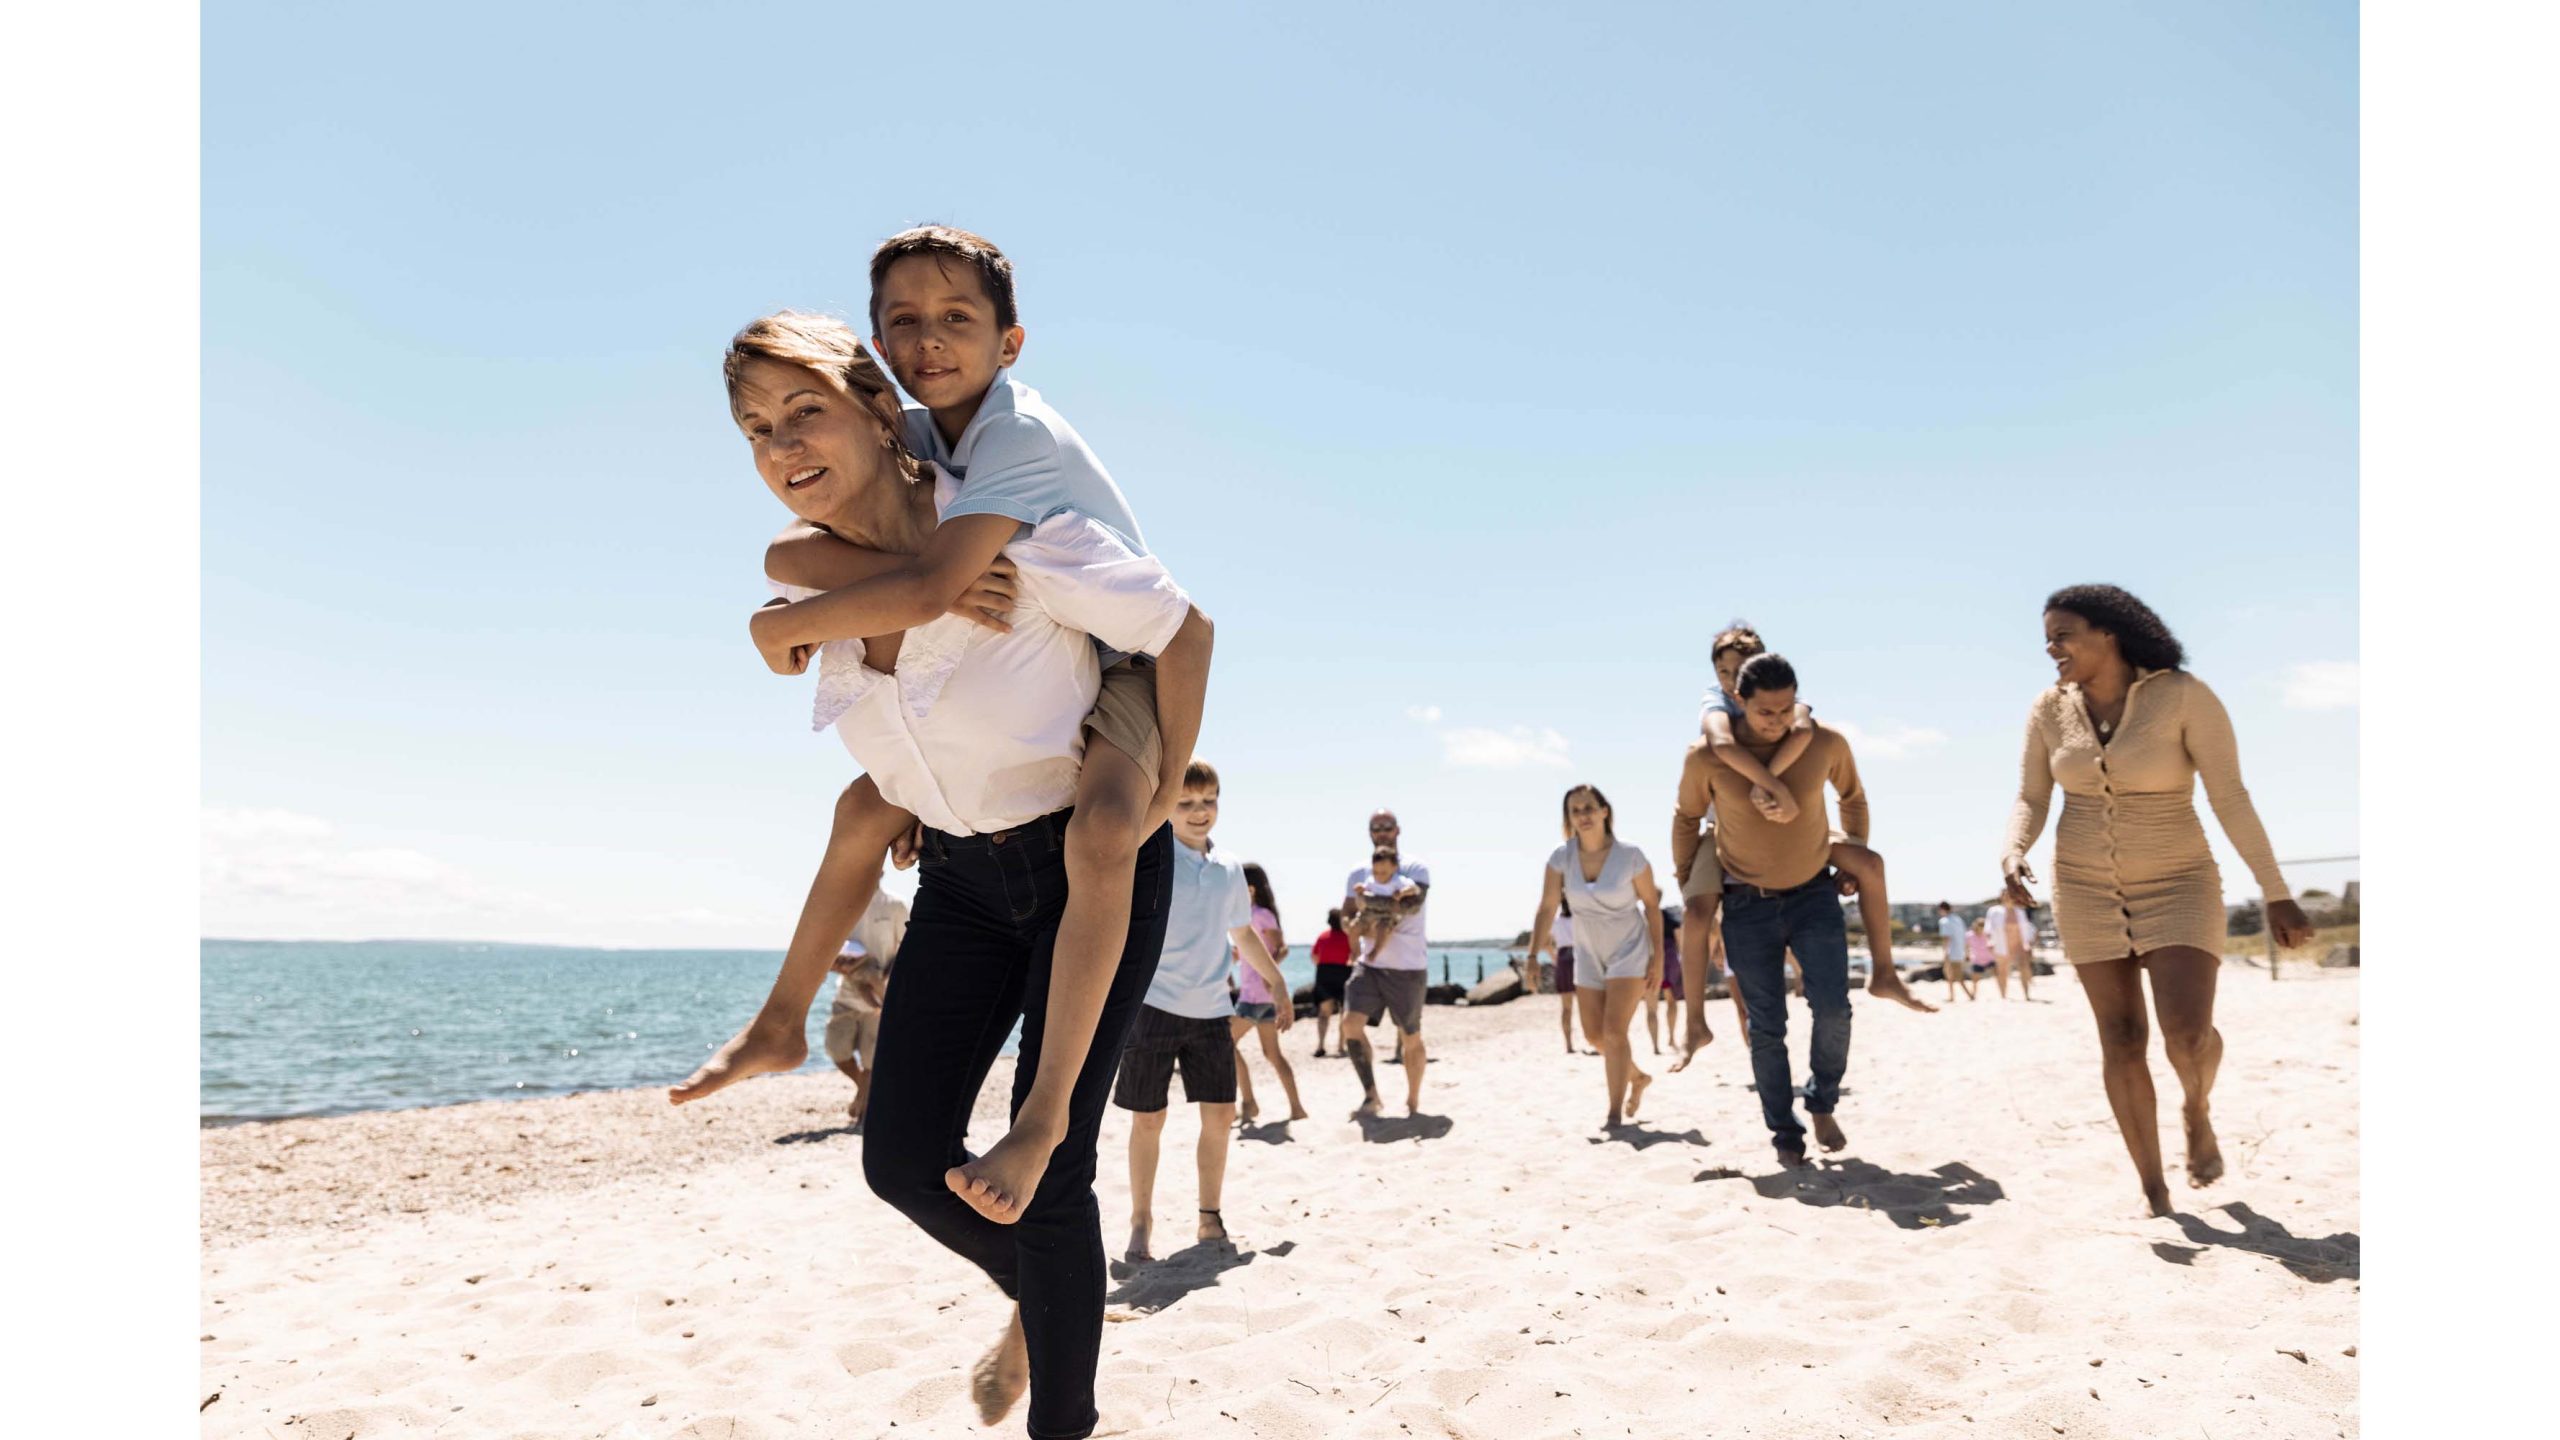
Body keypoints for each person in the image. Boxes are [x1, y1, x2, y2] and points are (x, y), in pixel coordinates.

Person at [707, 312, 1211, 1438]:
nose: (780, 444)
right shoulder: (815, 578)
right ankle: (1048, 1304)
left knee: (1050, 1172)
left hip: (1085, 869)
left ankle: (1063, 1411)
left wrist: (1153, 789)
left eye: (805, 410)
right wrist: (780, 1015)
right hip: (963, 887)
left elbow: (1179, 628)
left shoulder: (1013, 533)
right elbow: (863, 803)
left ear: (882, 409)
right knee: (899, 1159)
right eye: (753, 428)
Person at [2002, 584, 2313, 1218]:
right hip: (2083, 886)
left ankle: (2196, 1109)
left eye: (2063, 633)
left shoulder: (2182, 697)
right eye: (2047, 635)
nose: (2050, 646)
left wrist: (2275, 892)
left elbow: (2230, 796)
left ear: (2108, 634)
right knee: (2120, 1039)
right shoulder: (2048, 709)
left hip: (2179, 881)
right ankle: (2155, 1190)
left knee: (2188, 1034)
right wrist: (2014, 852)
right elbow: (2032, 796)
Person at [1682, 652, 1932, 1168]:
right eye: (1763, 713)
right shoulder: (1706, 757)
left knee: (1835, 1008)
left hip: (1813, 895)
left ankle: (1821, 1101)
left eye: (1784, 709)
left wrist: (1853, 847)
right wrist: (1689, 874)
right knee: (1766, 1026)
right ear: (1738, 702)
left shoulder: (1824, 742)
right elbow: (1685, 816)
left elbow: (1853, 797)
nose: (1775, 722)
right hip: (1746, 904)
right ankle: (1784, 1132)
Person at [1115, 761, 1289, 1262]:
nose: (1199, 812)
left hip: (1213, 1010)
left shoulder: (1230, 869)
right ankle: (1141, 1220)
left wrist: (1277, 982)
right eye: (1186, 803)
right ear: (1166, 804)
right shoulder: (1149, 855)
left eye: (1208, 801)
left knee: (1220, 1117)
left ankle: (1208, 1217)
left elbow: (1242, 934)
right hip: (1152, 1007)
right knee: (1149, 1121)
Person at [1527, 785, 1666, 1128]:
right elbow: (1547, 906)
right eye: (1575, 810)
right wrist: (1532, 954)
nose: (1583, 815)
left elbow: (1651, 906)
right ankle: (1636, 1076)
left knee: (1614, 1030)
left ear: (1605, 811)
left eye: (1589, 807)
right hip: (1586, 951)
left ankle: (1614, 1114)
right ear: (1569, 819)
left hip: (1629, 950)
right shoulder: (1561, 857)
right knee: (1594, 1036)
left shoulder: (1631, 856)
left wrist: (1658, 957)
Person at [1341, 810, 1432, 1115]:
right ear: (1369, 833)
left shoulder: (1415, 869)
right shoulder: (1358, 873)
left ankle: (1414, 1100)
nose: (1381, 832)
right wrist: (1354, 928)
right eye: (1375, 828)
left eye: (1387, 827)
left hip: (1408, 968)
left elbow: (1410, 906)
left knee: (1411, 1036)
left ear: (1397, 830)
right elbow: (1347, 914)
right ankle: (1371, 1095)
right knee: (1350, 1026)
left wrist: (1369, 909)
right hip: (1369, 966)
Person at [1229, 862, 1307, 1124]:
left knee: (1224, 1043)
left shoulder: (1261, 914)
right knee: (1272, 1055)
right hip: (1257, 996)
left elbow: (1281, 949)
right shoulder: (1246, 915)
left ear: (1249, 888)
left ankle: (1249, 1103)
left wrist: (1271, 979)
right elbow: (1247, 952)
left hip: (1255, 997)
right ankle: (1297, 1109)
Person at [825, 893, 909, 1126]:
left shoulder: (894, 906)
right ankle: (865, 1088)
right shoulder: (842, 903)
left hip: (880, 999)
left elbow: (906, 946)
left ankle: (867, 1106)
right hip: (845, 994)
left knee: (872, 1062)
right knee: (836, 1051)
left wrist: (883, 980)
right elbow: (828, 948)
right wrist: (847, 966)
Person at [1308, 909, 1353, 1057]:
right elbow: (1354, 955)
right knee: (1343, 1013)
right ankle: (1341, 1047)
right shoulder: (1349, 937)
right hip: (1344, 973)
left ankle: (1321, 1045)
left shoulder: (1323, 936)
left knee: (1324, 1013)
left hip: (1325, 973)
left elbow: (1314, 957)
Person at [1645, 906, 1685, 1056]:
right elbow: (1679, 942)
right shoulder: (1669, 917)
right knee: (1671, 1002)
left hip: (1648, 961)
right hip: (1669, 961)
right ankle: (1671, 1038)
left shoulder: (1642, 917)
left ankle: (1656, 1046)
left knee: (1651, 1008)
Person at [1983, 895, 2038, 1000]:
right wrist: (1990, 942)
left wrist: (2028, 943)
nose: (2009, 898)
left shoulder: (2020, 911)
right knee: (2002, 971)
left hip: (2019, 945)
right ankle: (2003, 995)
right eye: (2006, 895)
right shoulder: (1994, 911)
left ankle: (2027, 995)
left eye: (2010, 895)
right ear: (2002, 897)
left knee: (2024, 968)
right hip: (2001, 944)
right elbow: (1988, 928)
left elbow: (2026, 928)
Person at [1936, 901, 1975, 1003]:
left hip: (1952, 952)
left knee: (1956, 976)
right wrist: (1966, 952)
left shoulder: (1944, 921)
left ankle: (1970, 996)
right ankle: (1952, 996)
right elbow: (1964, 937)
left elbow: (1946, 938)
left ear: (1942, 909)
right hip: (1960, 951)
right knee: (1951, 975)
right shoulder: (1958, 919)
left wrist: (1944, 952)